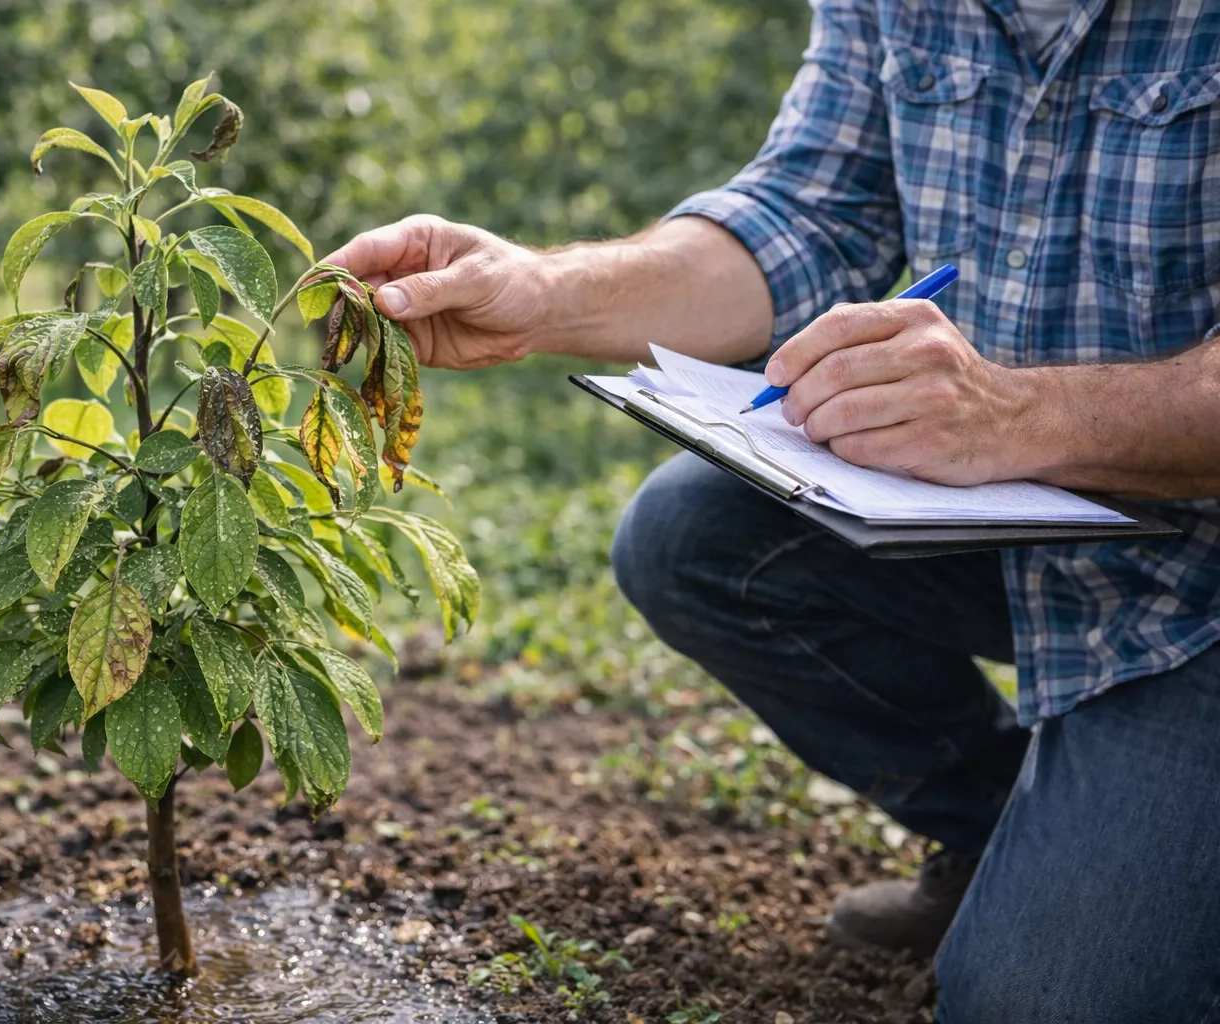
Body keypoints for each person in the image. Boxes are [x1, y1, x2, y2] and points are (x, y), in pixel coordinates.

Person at [326, 1, 1220, 1020]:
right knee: (694, 537)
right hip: (1028, 519)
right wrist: (542, 289)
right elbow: (805, 216)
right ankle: (1006, 837)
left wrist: (1021, 416)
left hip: (1198, 592)